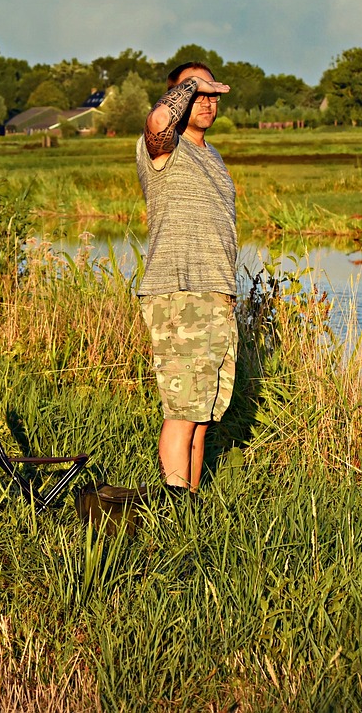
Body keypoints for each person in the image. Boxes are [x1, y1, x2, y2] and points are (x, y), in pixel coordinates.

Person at [135, 62, 237, 497]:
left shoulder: (211, 154)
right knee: (181, 412)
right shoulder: (162, 147)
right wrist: (191, 83)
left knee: (201, 416)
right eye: (197, 93)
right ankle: (175, 509)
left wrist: (227, 294)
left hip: (214, 294)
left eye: (213, 94)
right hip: (178, 292)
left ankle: (190, 506)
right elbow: (159, 120)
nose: (207, 101)